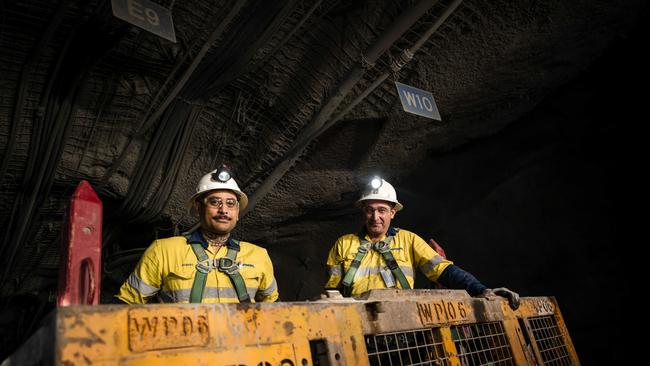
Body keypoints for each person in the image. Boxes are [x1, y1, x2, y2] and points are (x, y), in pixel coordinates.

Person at [324, 176, 520, 310]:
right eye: (370, 209)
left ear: (393, 213)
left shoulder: (408, 240)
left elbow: (444, 271)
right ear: (363, 211)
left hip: (401, 322)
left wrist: (482, 289)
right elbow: (332, 292)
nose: (375, 217)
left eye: (382, 210)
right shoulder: (343, 244)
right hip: (357, 323)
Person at [114, 165, 278, 304]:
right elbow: (125, 305)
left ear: (237, 213)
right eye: (215, 202)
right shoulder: (163, 251)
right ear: (198, 209)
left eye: (230, 203)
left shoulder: (258, 256)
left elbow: (276, 314)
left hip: (241, 342)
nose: (223, 209)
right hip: (185, 342)